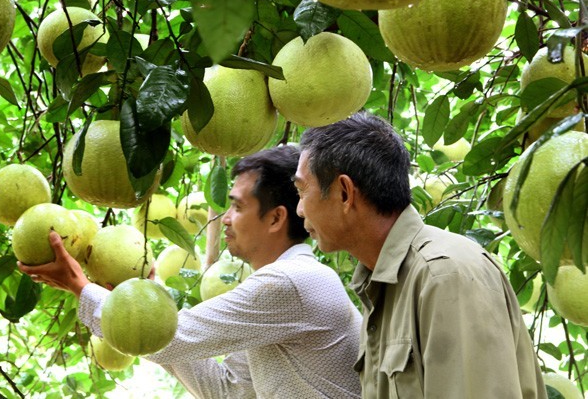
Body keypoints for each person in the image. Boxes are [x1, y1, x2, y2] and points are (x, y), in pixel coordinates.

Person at [19, 145, 362, 398]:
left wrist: (80, 287)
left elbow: (171, 334)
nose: (225, 218)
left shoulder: (290, 283)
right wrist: (149, 302)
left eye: (237, 206)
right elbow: (228, 390)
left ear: (275, 218)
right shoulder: (286, 288)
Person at [293, 112, 547, 399]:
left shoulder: (445, 276)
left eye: (302, 191)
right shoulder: (382, 284)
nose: (300, 210)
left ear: (344, 193)